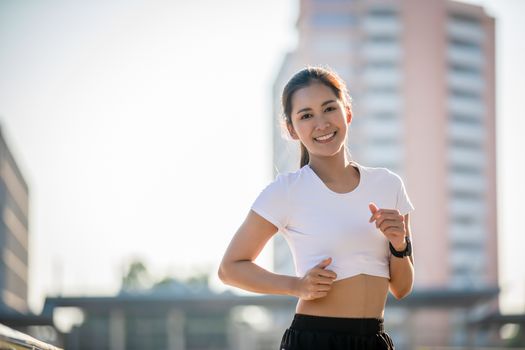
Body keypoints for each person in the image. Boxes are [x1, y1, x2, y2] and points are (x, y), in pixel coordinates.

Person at [218, 66, 415, 350]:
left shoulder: (388, 185)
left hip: (374, 341)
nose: (321, 123)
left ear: (347, 112)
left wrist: (399, 243)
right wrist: (296, 286)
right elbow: (230, 268)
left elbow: (402, 287)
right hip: (314, 340)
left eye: (329, 109)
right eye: (306, 115)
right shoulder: (286, 191)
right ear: (291, 129)